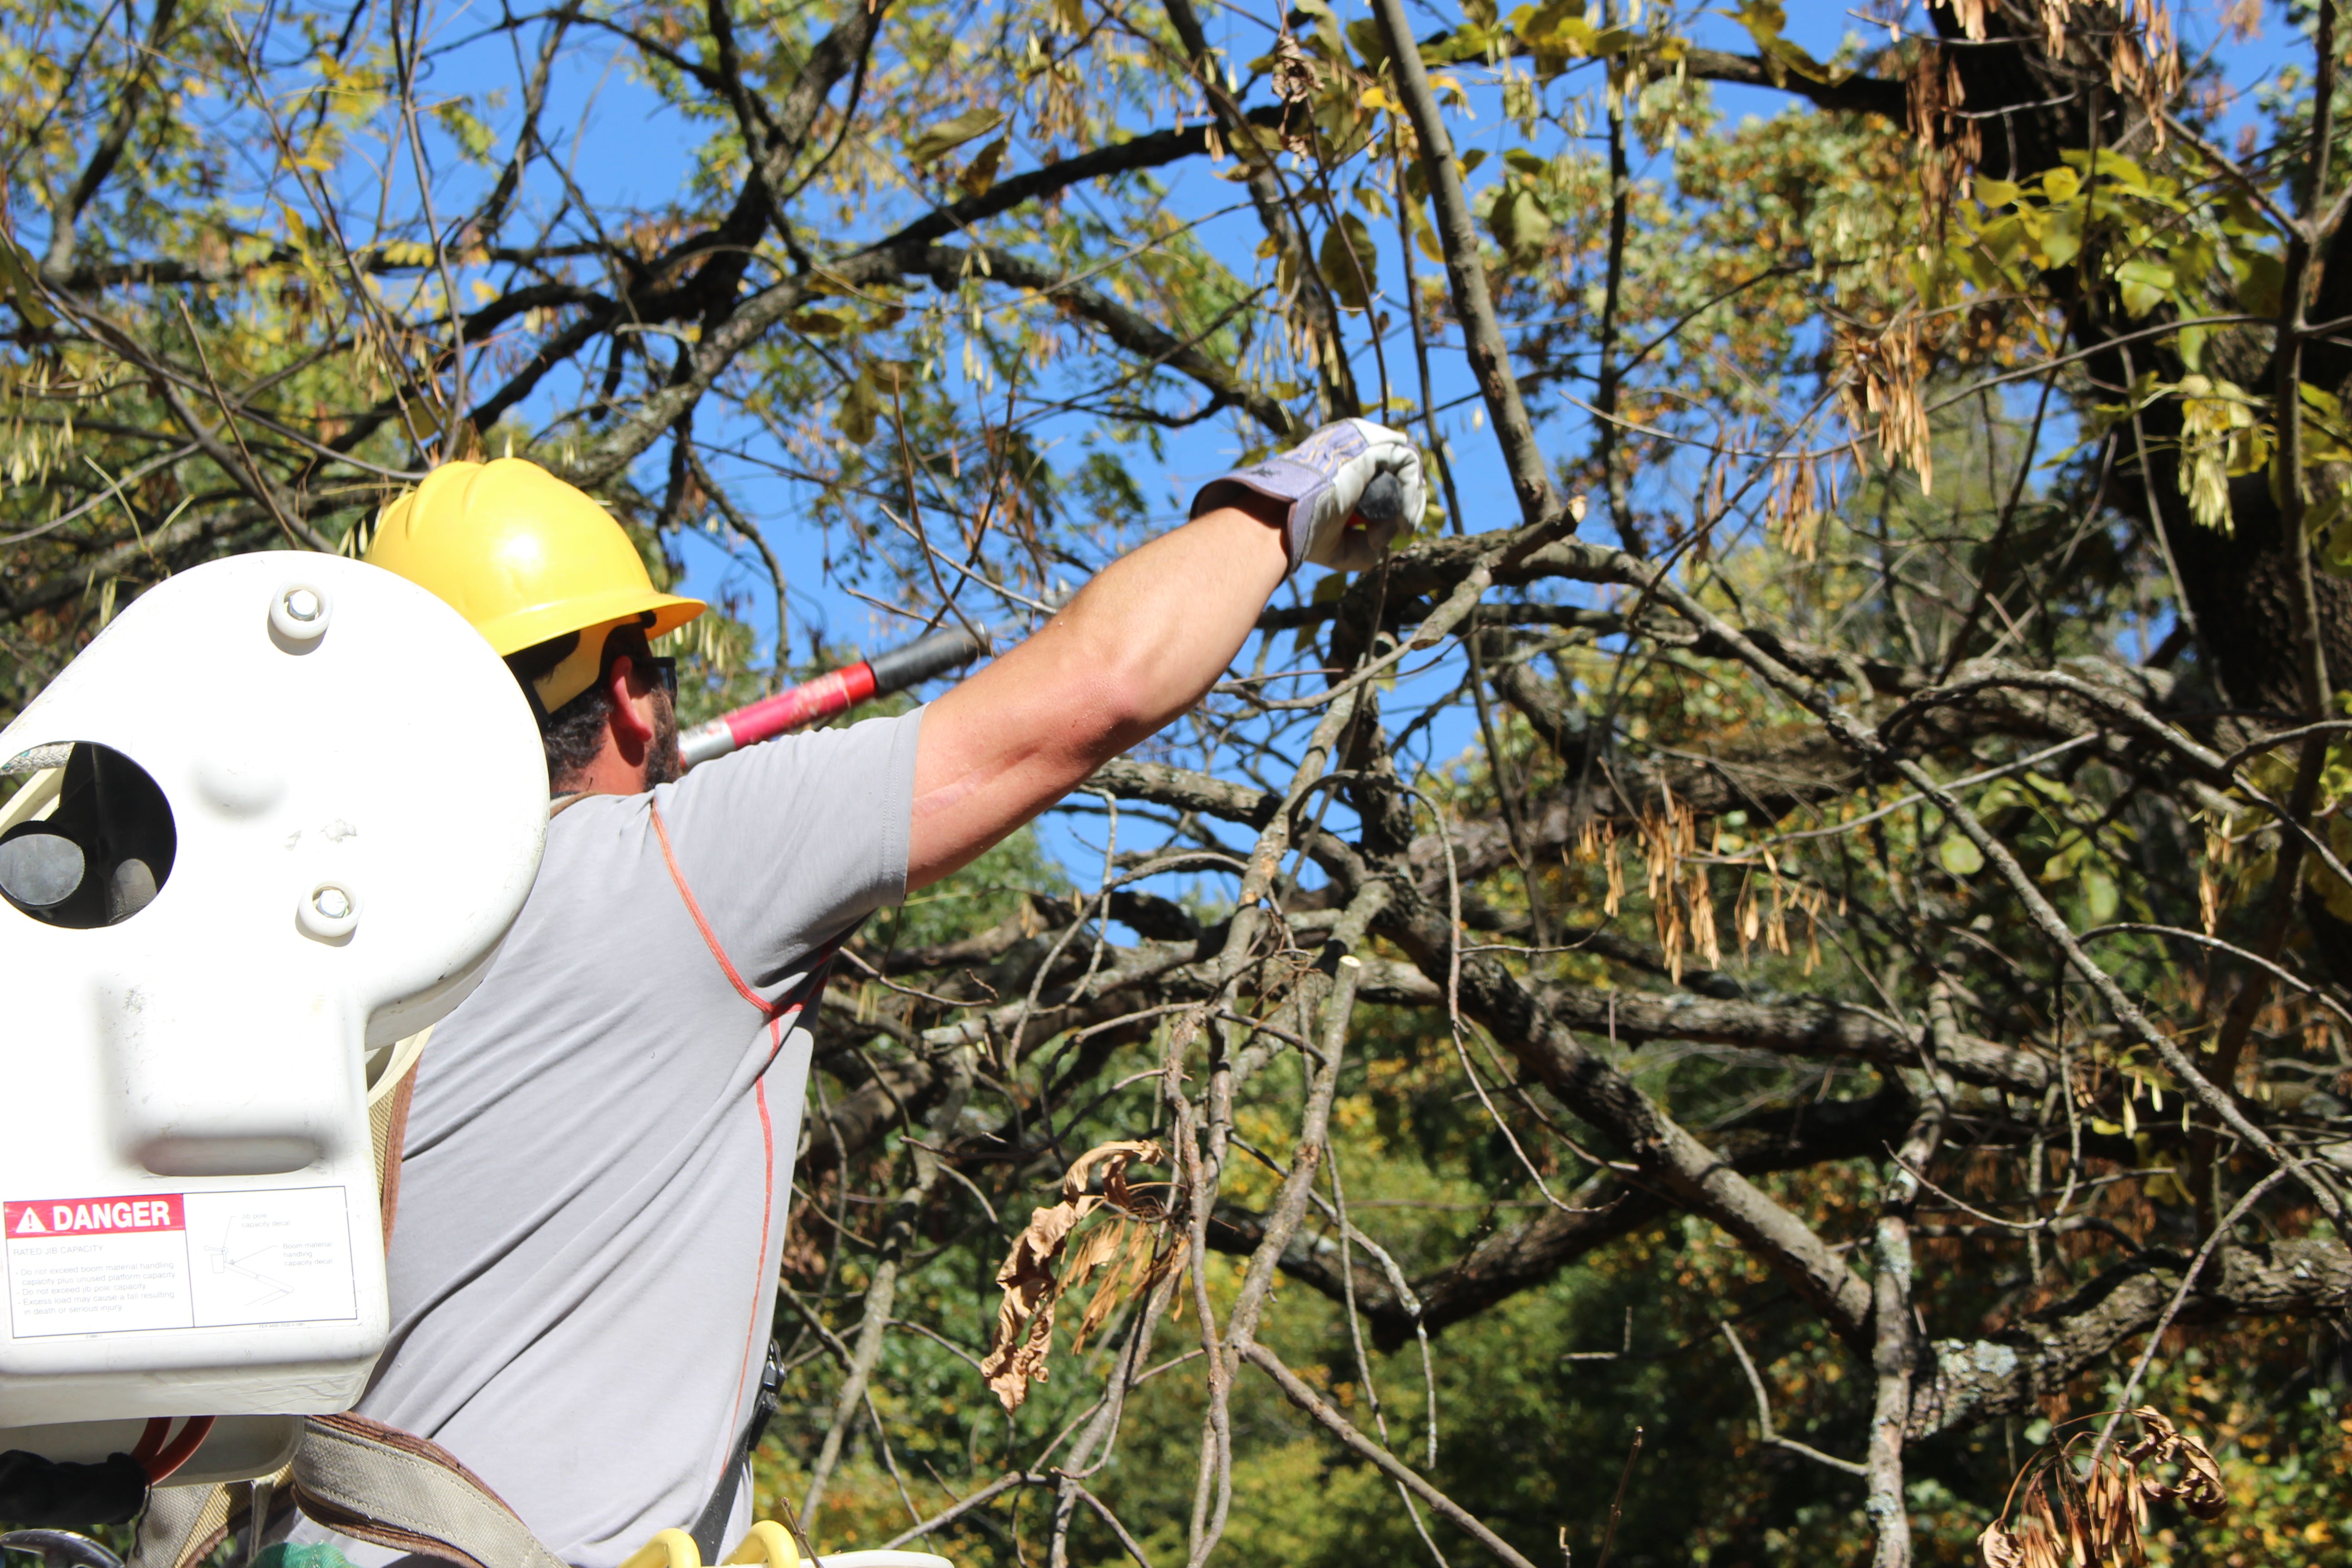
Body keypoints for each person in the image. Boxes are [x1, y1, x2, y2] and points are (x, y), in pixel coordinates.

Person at [292, 420, 1423, 1568]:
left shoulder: (294, 969)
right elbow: (1100, 687)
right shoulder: (678, 863)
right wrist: (1284, 501)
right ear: (631, 692)